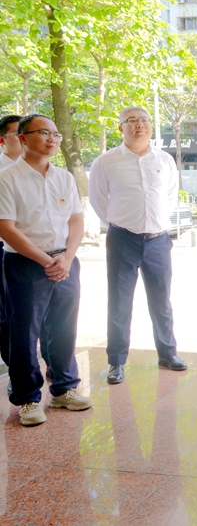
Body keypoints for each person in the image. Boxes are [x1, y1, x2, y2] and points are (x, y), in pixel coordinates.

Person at [0, 114, 93, 426]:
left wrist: (67, 257)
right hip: (25, 265)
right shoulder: (7, 178)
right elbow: (6, 228)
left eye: (56, 134)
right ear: (23, 138)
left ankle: (64, 389)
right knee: (24, 333)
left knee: (64, 327)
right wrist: (46, 260)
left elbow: (76, 220)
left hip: (65, 263)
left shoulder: (63, 177)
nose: (52, 138)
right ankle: (27, 398)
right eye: (43, 132)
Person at [89, 107, 187, 385]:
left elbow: (170, 196)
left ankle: (167, 353)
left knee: (161, 301)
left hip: (158, 241)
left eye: (144, 120)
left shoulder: (164, 159)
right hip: (123, 239)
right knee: (119, 302)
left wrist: (156, 224)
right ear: (121, 128)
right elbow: (98, 200)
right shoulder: (106, 161)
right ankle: (116, 361)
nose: (139, 125)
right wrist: (121, 223)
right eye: (132, 121)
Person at [0, 115, 23, 371]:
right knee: (7, 313)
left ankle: (53, 364)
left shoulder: (42, 168)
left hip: (41, 248)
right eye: (18, 133)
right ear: (2, 140)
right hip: (4, 248)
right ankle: (16, 372)